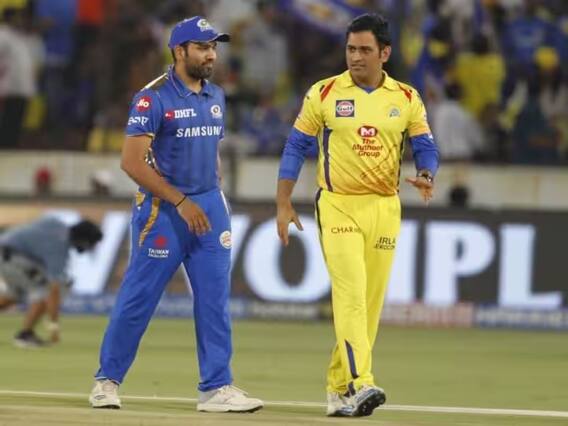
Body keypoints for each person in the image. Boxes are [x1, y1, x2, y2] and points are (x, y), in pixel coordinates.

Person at [89, 16, 263, 413]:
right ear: (179, 51)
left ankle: (215, 388)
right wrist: (181, 202)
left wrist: (212, 194)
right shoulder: (152, 98)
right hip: (164, 211)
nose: (211, 55)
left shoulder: (216, 95)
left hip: (210, 208)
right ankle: (107, 381)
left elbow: (211, 151)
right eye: (202, 47)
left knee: (214, 300)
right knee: (139, 298)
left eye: (213, 47)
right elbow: (131, 163)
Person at [276, 13, 439, 417]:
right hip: (338, 204)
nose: (356, 57)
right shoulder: (325, 92)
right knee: (349, 296)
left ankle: (338, 391)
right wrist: (283, 202)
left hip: (384, 207)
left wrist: (426, 174)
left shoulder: (406, 98)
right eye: (351, 49)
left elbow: (425, 145)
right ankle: (362, 383)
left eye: (365, 50)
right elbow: (295, 146)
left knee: (369, 304)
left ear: (385, 53)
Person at [0, 216, 103, 347]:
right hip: (11, 256)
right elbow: (54, 289)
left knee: (14, 295)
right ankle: (25, 335)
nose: (90, 248)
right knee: (43, 290)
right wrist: (54, 325)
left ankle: (26, 333)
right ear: (83, 239)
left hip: (7, 251)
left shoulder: (55, 223)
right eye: (91, 243)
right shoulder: (59, 249)